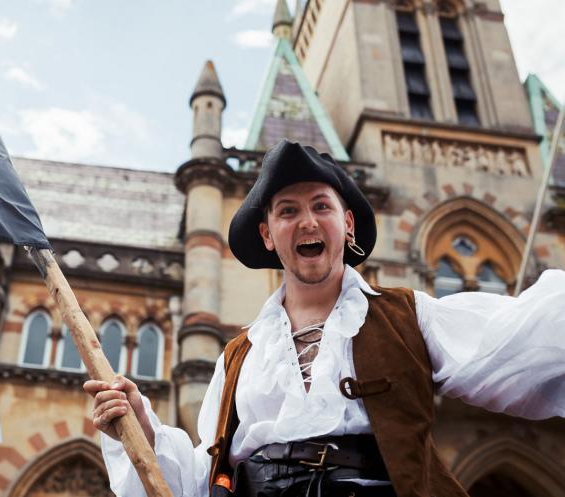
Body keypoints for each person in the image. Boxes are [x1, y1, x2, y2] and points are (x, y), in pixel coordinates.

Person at [83, 140, 565, 497]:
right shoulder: (238, 357)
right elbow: (198, 481)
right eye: (288, 211)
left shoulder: (408, 316)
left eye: (321, 206)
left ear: (347, 224)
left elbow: (522, 342)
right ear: (269, 235)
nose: (308, 222)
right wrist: (142, 430)